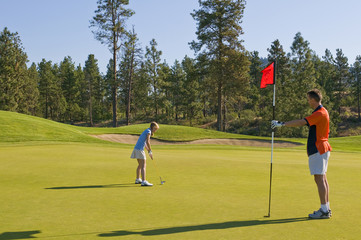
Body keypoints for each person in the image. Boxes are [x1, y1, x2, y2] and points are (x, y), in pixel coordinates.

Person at [271, 89, 332, 219]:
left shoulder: (319, 113)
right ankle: (326, 208)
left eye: (308, 99)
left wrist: (281, 124)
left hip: (318, 148)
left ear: (313, 99)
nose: (308, 101)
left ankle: (324, 210)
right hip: (322, 148)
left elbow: (301, 122)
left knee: (320, 179)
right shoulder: (322, 111)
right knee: (322, 179)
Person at [130, 122, 159, 187]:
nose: (155, 130)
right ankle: (144, 181)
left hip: (136, 149)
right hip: (140, 150)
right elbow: (148, 142)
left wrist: (148, 151)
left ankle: (137, 179)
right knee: (143, 165)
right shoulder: (149, 131)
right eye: (155, 129)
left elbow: (145, 143)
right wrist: (150, 150)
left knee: (140, 165)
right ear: (152, 127)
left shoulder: (146, 130)